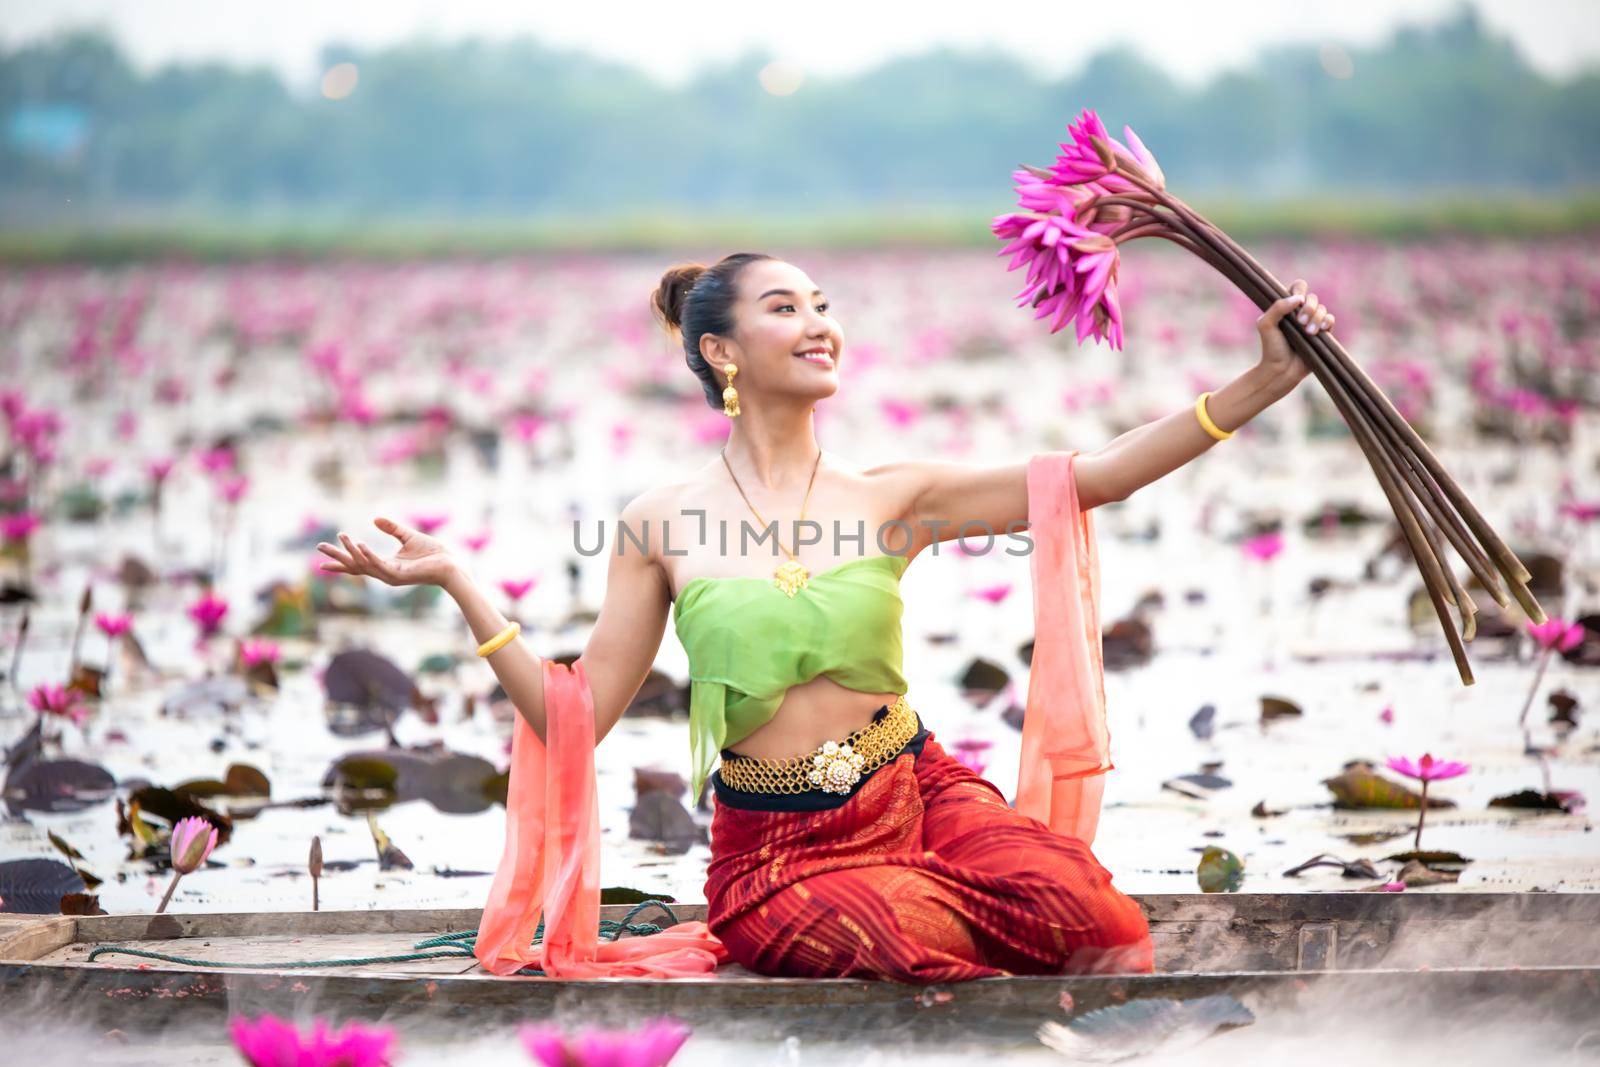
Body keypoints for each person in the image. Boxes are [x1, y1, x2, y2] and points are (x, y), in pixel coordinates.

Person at [316, 252, 1331, 981]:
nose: (818, 322)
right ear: (720, 350)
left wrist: (1261, 381)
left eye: (822, 304)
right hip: (777, 848)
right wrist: (460, 582)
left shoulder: (895, 494)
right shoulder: (657, 522)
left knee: (1091, 911)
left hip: (919, 787)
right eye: (784, 307)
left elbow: (1094, 476)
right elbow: (569, 711)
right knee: (892, 938)